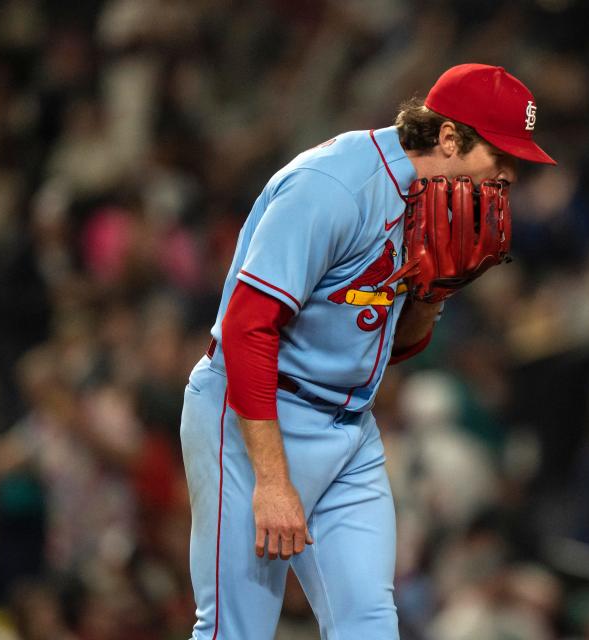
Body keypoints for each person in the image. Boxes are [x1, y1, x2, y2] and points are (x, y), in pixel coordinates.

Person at [180, 63, 555, 639]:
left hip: (349, 425)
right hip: (252, 417)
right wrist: (274, 481)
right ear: (450, 138)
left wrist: (431, 299)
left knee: (369, 625)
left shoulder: (438, 202)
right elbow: (247, 328)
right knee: (236, 630)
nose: (508, 176)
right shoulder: (333, 186)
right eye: (499, 156)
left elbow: (378, 341)